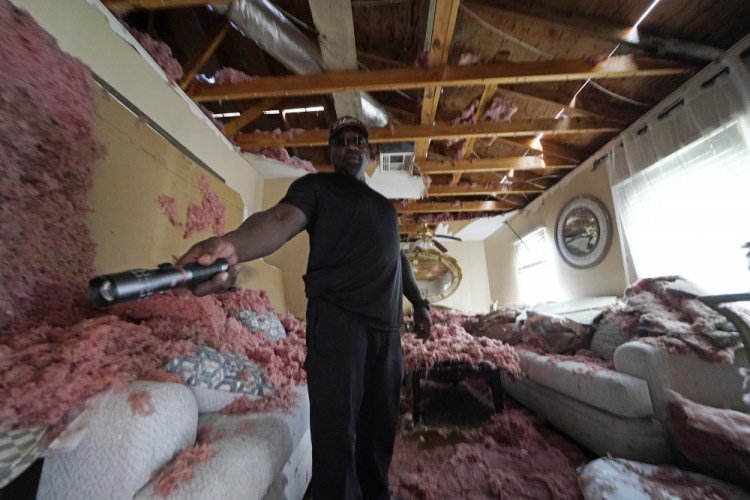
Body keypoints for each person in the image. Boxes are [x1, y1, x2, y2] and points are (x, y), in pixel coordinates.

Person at [177, 115, 432, 500]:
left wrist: (421, 305)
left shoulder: (385, 207)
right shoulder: (317, 187)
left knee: (379, 433)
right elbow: (279, 220)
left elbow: (400, 262)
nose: (351, 146)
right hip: (338, 323)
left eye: (358, 140)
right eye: (342, 141)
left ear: (368, 151)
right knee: (336, 436)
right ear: (331, 151)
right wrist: (230, 245)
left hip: (388, 334)